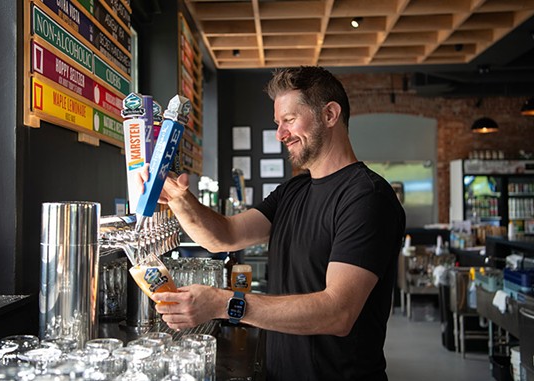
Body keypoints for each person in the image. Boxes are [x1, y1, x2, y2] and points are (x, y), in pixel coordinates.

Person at [144, 66, 406, 380]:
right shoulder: (292, 191)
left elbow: (338, 312)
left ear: (330, 114)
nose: (281, 134)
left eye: (289, 120)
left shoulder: (367, 197)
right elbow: (224, 236)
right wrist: (178, 198)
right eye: (278, 123)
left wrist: (224, 304)